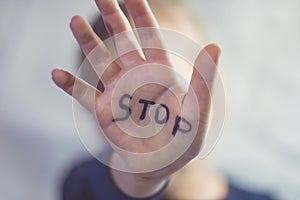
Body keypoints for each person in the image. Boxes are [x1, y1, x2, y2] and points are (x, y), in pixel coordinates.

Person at [52, 0, 275, 199]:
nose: (155, 110)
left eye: (174, 76)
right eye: (127, 103)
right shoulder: (85, 185)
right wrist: (140, 177)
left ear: (218, 83)